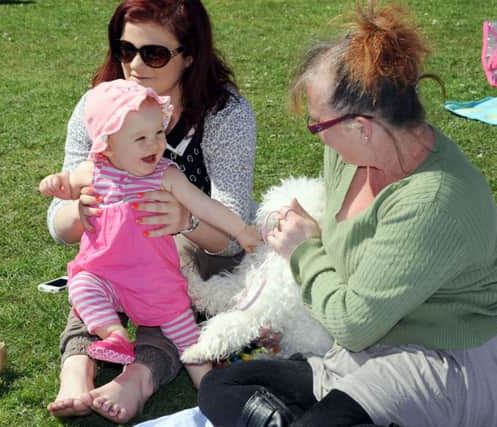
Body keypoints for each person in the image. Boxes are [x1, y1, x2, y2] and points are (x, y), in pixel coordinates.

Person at [198, 2, 497, 426]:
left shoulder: (435, 199)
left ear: (363, 126)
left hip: (437, 360)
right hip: (359, 357)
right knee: (220, 387)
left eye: (319, 124)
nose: (317, 136)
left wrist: (303, 251)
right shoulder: (347, 158)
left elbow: (354, 323)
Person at [45, 0, 257, 423]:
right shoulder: (100, 107)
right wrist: (81, 212)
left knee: (169, 295)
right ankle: (77, 368)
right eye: (126, 49)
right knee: (93, 274)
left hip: (205, 248)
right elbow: (58, 222)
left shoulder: (225, 113)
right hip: (124, 245)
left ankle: (139, 377)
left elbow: (232, 229)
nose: (135, 65)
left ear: (190, 55)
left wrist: (184, 222)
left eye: (154, 53)